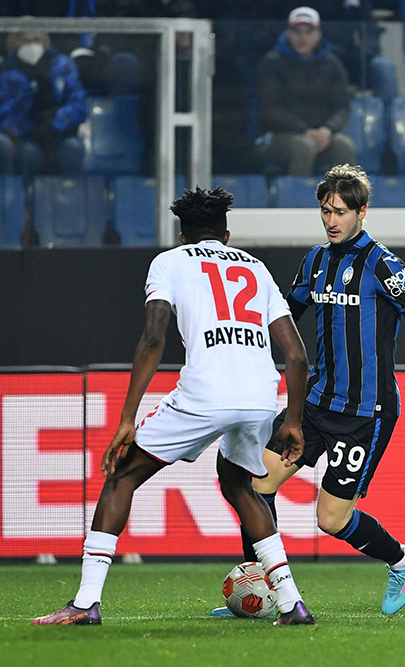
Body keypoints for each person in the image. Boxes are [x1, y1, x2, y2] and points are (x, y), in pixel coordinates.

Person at [31, 187, 315, 626]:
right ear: (226, 234)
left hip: (206, 391)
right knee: (239, 485)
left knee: (122, 475)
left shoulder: (169, 262)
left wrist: (128, 418)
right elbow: (296, 356)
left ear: (183, 235)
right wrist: (292, 420)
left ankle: (86, 603)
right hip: (260, 395)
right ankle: (292, 604)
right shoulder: (256, 268)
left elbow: (153, 338)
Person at [211, 164, 405, 617]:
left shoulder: (383, 264)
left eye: (341, 212)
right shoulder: (315, 261)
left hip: (365, 413)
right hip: (315, 404)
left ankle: (404, 560)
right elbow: (286, 317)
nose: (331, 221)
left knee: (331, 520)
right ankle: (263, 590)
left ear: (362, 211)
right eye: (325, 211)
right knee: (254, 483)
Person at [257, 7, 359, 176]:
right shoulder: (271, 63)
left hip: (322, 134)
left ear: (319, 34)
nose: (303, 38)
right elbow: (270, 109)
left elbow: (342, 106)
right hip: (280, 135)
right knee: (304, 146)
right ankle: (296, 193)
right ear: (288, 33)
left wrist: (328, 129)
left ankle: (347, 193)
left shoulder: (332, 64)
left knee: (343, 145)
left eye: (309, 32)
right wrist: (304, 130)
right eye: (297, 32)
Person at [4, 30, 87, 176]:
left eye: (36, 40)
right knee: (28, 153)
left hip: (61, 132)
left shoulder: (63, 65)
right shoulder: (6, 72)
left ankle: (72, 188)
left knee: (73, 148)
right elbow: (5, 112)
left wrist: (56, 124)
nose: (31, 46)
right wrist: (28, 130)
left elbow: (78, 104)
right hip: (27, 136)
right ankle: (26, 189)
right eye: (25, 40)